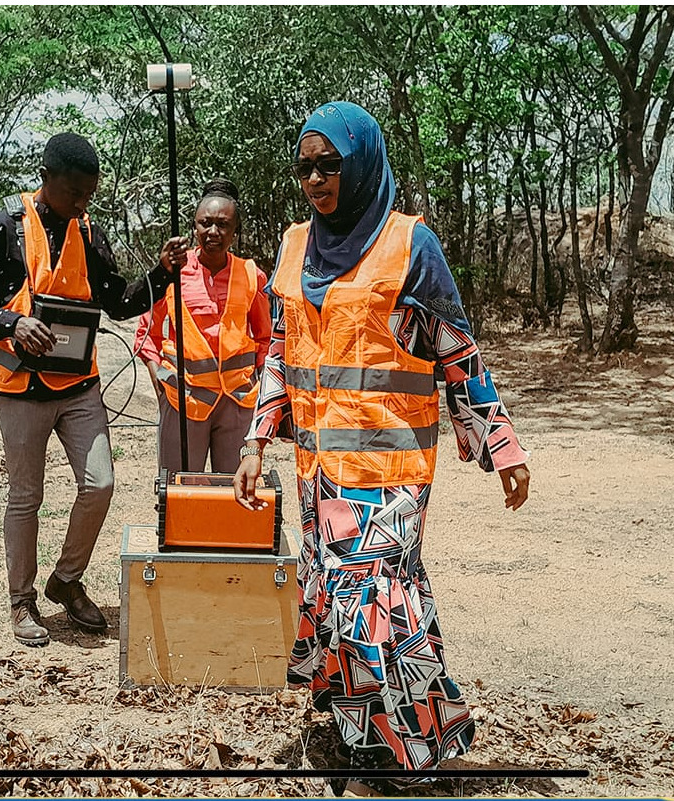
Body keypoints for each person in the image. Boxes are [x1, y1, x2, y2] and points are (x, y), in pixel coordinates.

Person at [232, 102, 532, 794]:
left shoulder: (408, 245)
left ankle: (418, 752)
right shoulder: (293, 248)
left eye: (329, 165)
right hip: (318, 473)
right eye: (304, 167)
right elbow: (278, 353)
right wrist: (256, 441)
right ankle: (360, 738)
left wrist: (501, 444)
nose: (314, 179)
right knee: (337, 606)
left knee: (376, 604)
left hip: (389, 472)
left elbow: (457, 351)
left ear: (362, 164)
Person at [0, 132, 188, 648]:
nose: (83, 203)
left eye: (89, 194)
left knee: (100, 483)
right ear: (47, 178)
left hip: (80, 387)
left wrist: (162, 273)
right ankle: (21, 600)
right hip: (20, 390)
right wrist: (12, 324)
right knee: (26, 496)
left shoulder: (90, 233)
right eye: (75, 192)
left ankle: (66, 579)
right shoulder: (2, 228)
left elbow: (120, 302)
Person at [135, 178, 272, 473]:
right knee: (179, 488)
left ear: (235, 230)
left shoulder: (252, 275)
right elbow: (146, 335)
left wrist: (261, 390)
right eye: (205, 223)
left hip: (237, 403)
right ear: (194, 226)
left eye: (223, 225)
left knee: (236, 489)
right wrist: (160, 385)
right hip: (183, 402)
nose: (213, 232)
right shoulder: (172, 272)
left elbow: (265, 338)